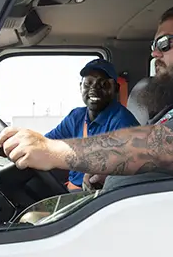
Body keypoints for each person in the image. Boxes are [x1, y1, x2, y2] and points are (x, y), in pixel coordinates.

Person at [0, 5, 173, 191]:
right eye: (153, 46)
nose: (155, 54)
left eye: (164, 44)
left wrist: (56, 151)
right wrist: (111, 173)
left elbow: (165, 147)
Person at [43, 58, 139, 191]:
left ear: (116, 89)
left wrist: (106, 174)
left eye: (103, 84)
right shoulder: (76, 116)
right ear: (80, 87)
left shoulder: (122, 121)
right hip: (70, 190)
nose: (94, 88)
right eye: (88, 83)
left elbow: (129, 166)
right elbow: (47, 143)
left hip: (96, 196)